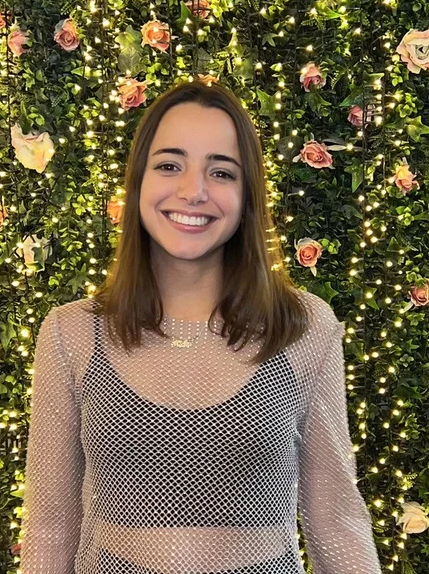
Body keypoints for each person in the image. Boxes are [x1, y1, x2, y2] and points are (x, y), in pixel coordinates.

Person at [20, 79, 382, 574]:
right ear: (138, 181)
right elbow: (49, 526)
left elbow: (336, 519)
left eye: (221, 172)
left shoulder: (302, 328)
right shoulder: (73, 333)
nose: (193, 191)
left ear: (247, 194)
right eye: (170, 165)